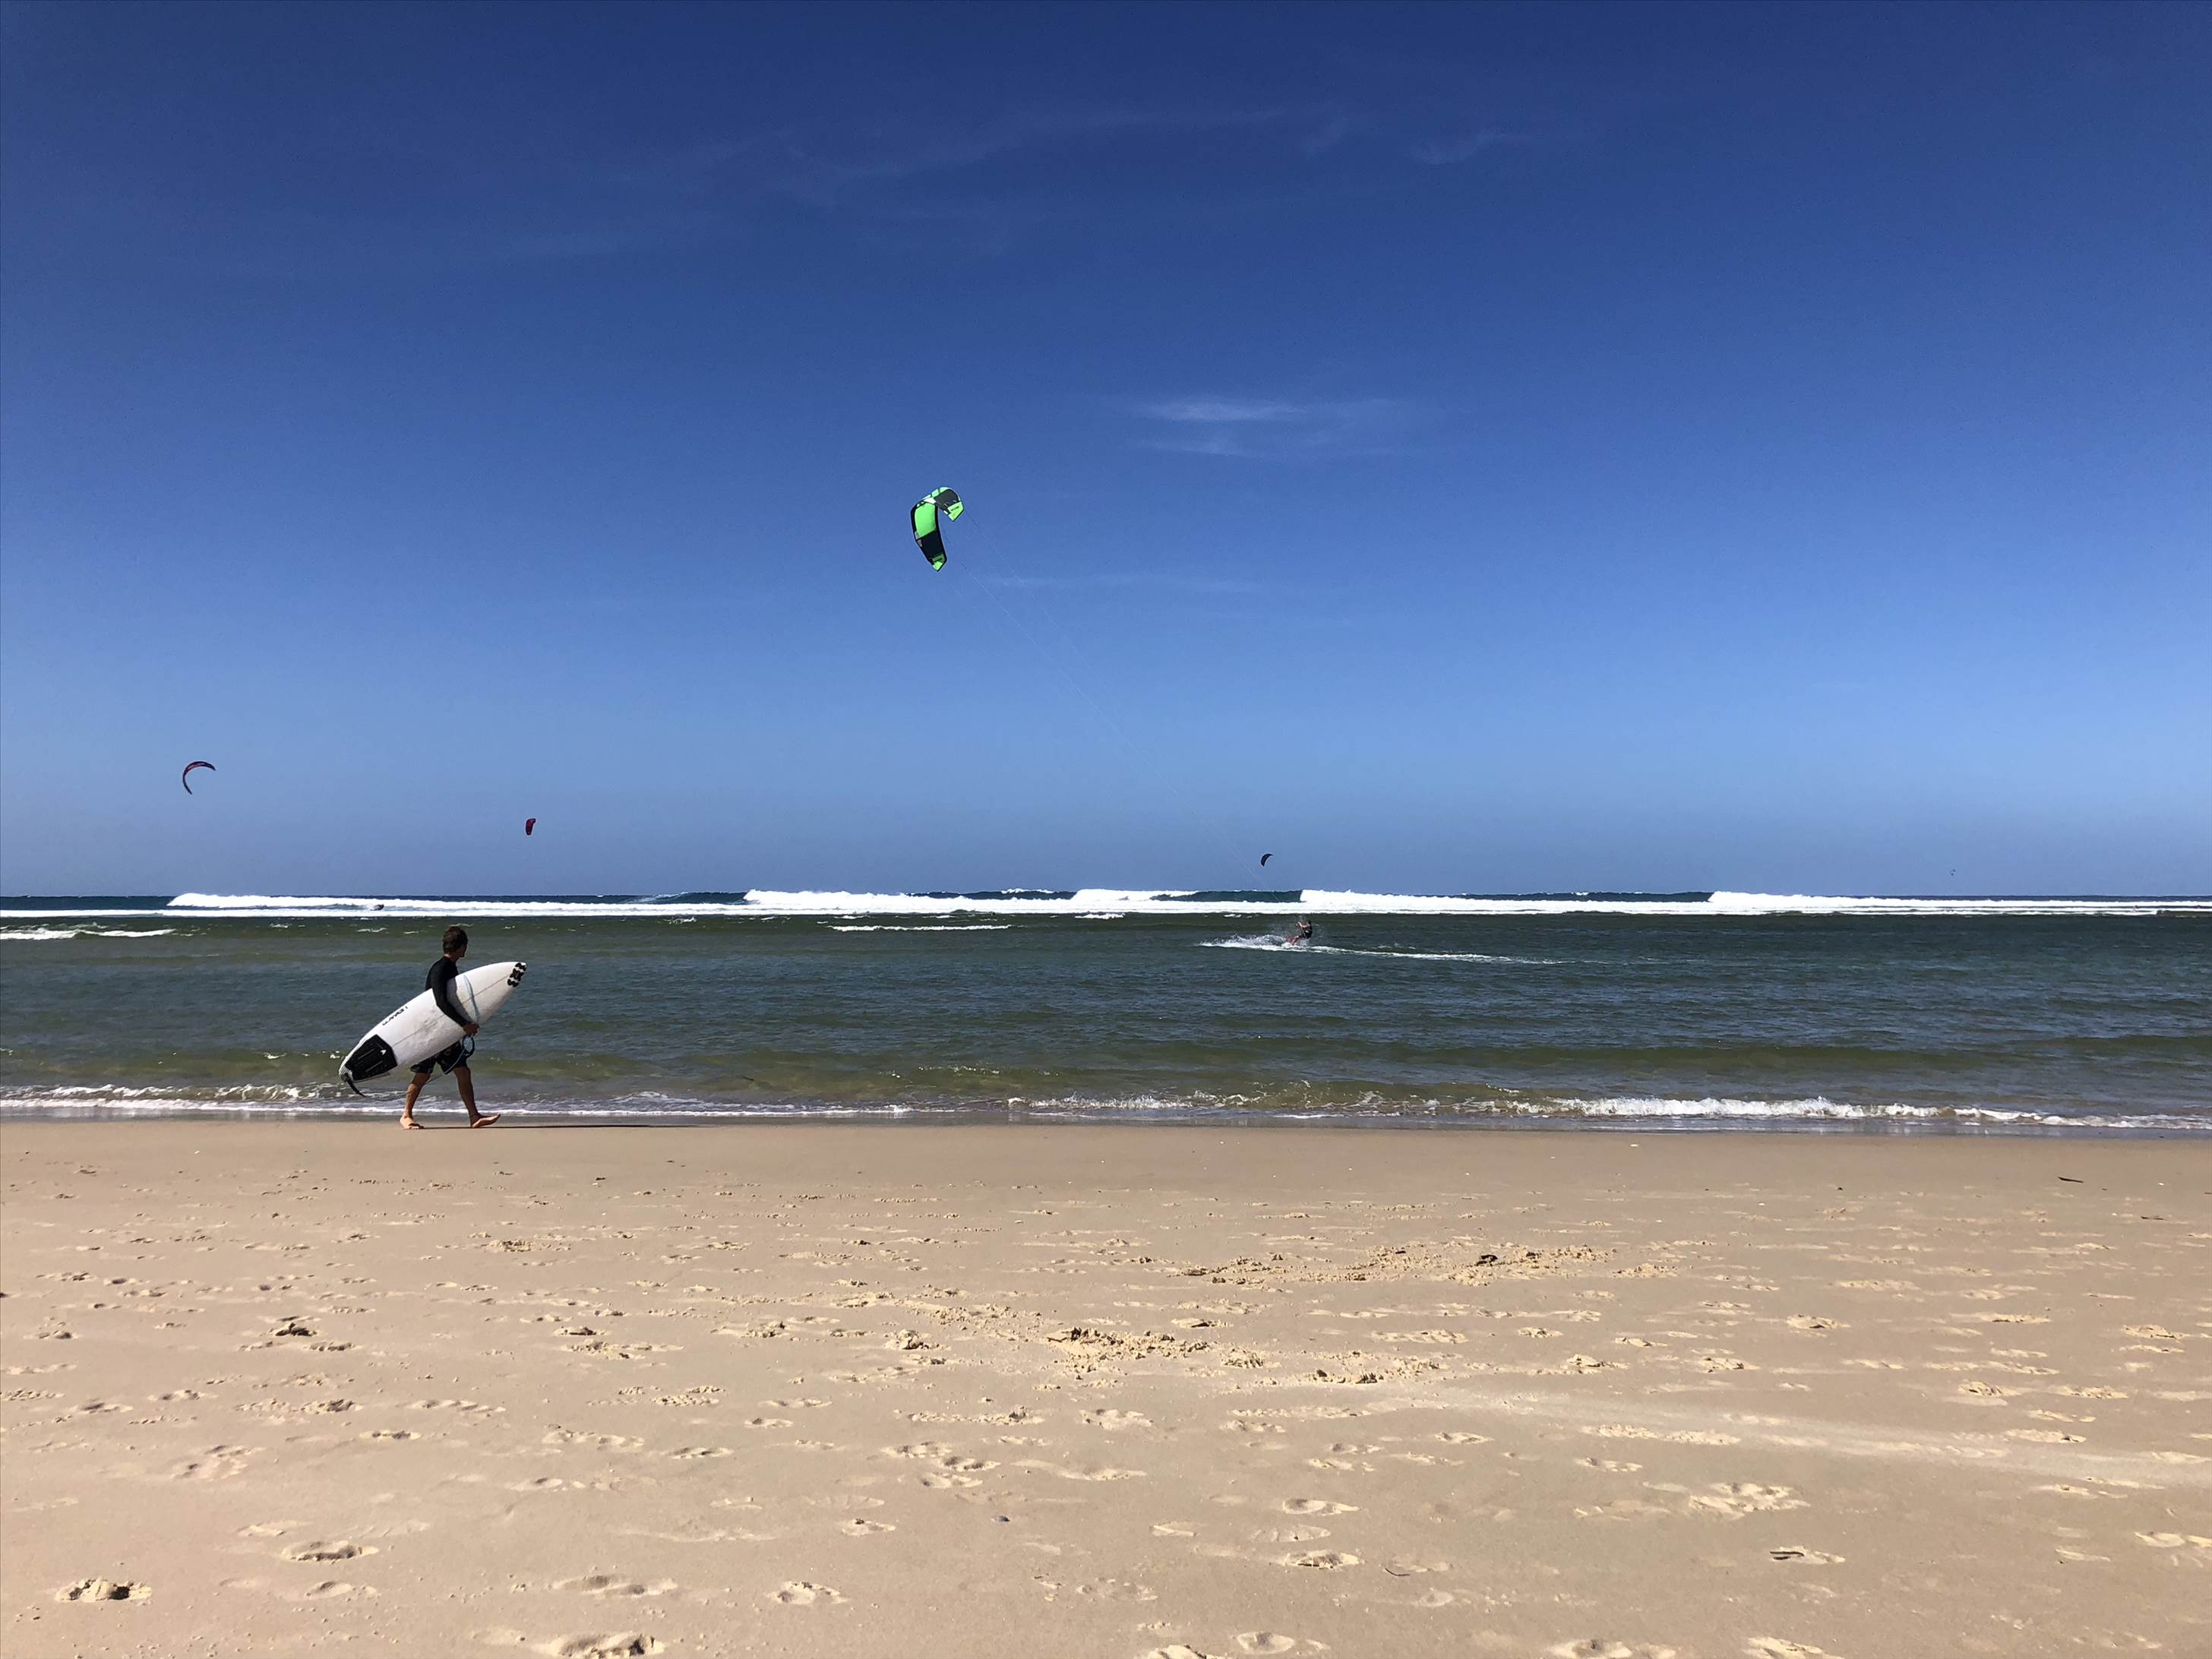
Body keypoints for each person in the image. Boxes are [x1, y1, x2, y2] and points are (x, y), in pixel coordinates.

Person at [400, 925, 499, 1130]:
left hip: (447, 1032)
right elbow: (441, 1002)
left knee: (463, 1072)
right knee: (423, 1074)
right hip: (433, 1033)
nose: (466, 949)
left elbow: (454, 1001)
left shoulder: (450, 967)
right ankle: (406, 1115)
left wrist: (465, 1024)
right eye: (466, 945)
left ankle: (474, 1117)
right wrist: (464, 1025)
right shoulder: (441, 968)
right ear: (461, 946)